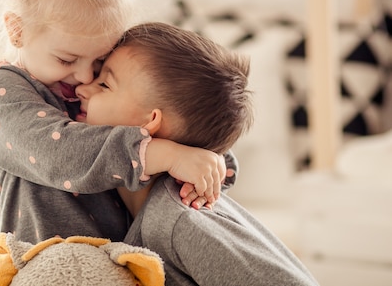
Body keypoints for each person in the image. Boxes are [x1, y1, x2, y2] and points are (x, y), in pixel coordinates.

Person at [0, 0, 233, 245]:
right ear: (17, 30)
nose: (85, 78)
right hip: (48, 261)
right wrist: (166, 155)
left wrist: (209, 163)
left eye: (100, 62)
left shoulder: (94, 87)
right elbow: (61, 155)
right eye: (68, 60)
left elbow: (159, 116)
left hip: (123, 259)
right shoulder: (4, 90)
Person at [75, 22, 319, 286]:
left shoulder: (177, 219)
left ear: (150, 122)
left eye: (104, 85)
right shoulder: (133, 210)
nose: (82, 88)